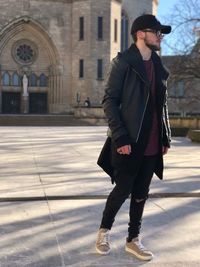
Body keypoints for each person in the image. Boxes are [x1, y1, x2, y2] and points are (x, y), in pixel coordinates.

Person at [96, 14, 171, 261]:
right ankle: (104, 231)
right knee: (122, 190)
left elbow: (163, 106)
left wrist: (165, 136)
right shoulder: (124, 63)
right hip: (129, 141)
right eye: (157, 31)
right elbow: (109, 101)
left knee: (141, 193)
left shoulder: (159, 68)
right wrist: (121, 137)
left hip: (151, 143)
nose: (160, 36)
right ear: (141, 34)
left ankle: (133, 239)